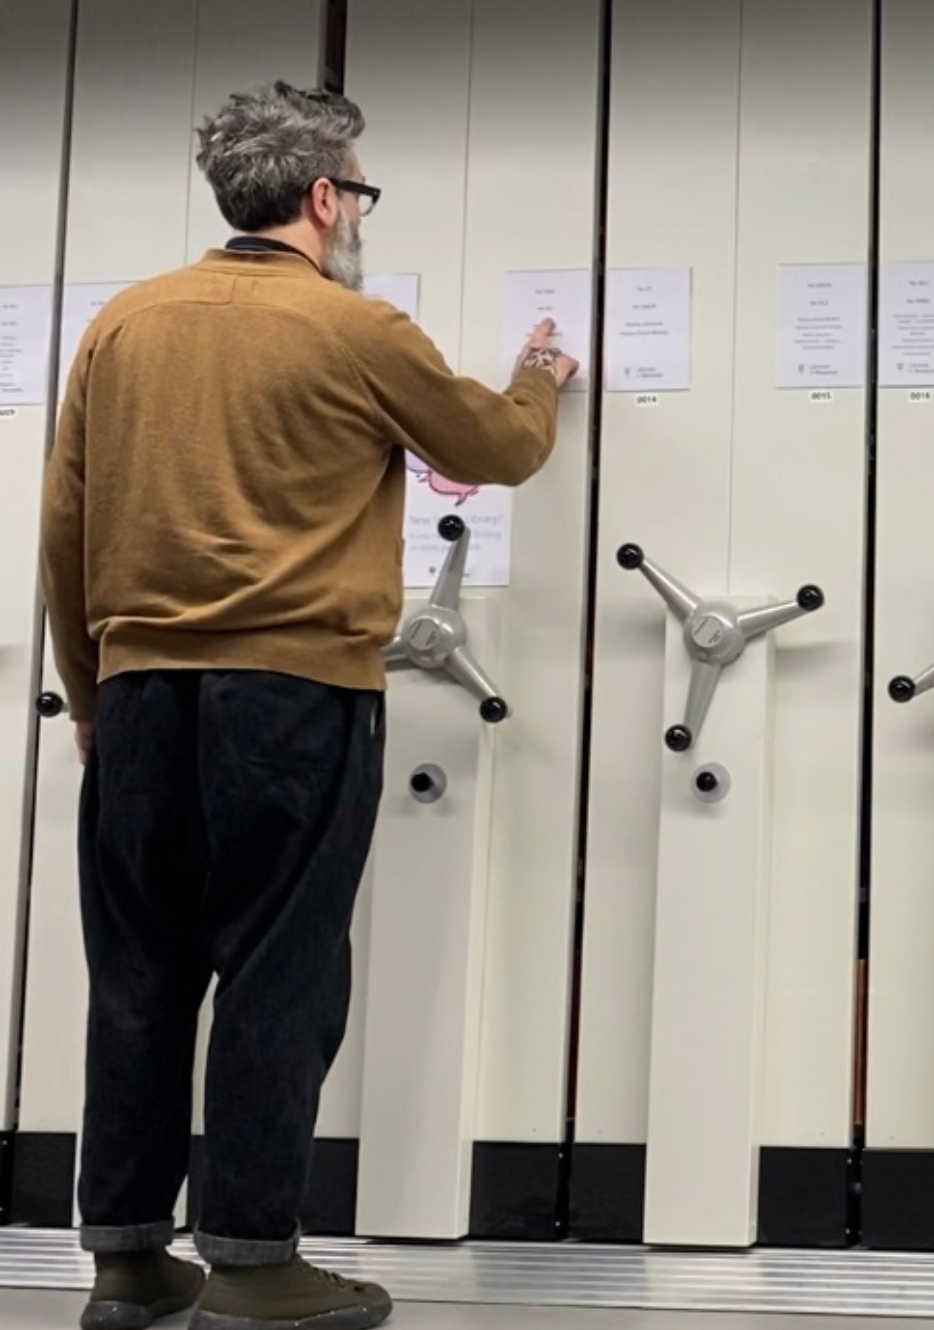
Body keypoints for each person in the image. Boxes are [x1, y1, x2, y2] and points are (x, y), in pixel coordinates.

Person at [40, 81, 578, 1330]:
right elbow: (497, 448)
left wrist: (87, 693)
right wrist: (539, 374)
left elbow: (64, 525)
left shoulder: (123, 325)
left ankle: (123, 1261)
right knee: (279, 971)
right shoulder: (356, 329)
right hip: (293, 697)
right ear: (325, 197)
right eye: (360, 194)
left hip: (138, 696)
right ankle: (250, 1259)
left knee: (138, 971)